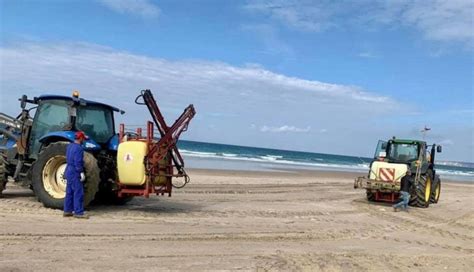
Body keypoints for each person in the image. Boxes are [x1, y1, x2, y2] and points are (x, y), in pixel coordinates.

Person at [63, 131, 88, 219]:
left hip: (68, 170)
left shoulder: (69, 146)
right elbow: (78, 161)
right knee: (78, 192)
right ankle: (78, 212)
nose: (83, 140)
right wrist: (81, 172)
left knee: (69, 192)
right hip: (75, 172)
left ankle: (67, 211)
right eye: (83, 139)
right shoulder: (79, 148)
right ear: (80, 138)